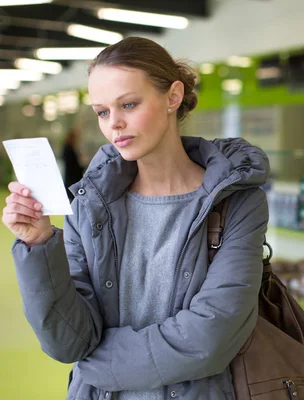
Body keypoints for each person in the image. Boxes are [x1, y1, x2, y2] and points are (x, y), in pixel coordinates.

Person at [2, 36, 269, 400]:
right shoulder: (90, 204)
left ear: (173, 97)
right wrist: (37, 243)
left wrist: (99, 364)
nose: (115, 124)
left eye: (128, 104)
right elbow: (69, 343)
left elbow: (211, 337)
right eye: (102, 112)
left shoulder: (238, 203)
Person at [62, 125, 85, 202]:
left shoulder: (68, 149)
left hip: (70, 180)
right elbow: (73, 167)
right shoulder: (69, 150)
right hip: (72, 180)